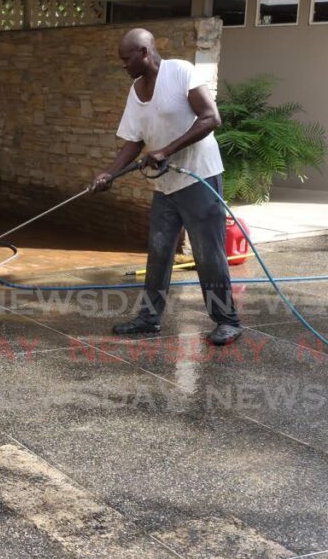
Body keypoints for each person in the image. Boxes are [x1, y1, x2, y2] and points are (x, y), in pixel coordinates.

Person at [92, 28, 242, 346]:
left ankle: (227, 321)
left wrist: (165, 151)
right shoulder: (136, 90)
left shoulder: (180, 72)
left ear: (144, 52)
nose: (123, 65)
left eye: (126, 58)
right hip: (167, 185)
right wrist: (109, 173)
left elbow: (210, 118)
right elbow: (133, 142)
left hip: (199, 178)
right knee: (159, 251)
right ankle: (149, 318)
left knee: (208, 253)